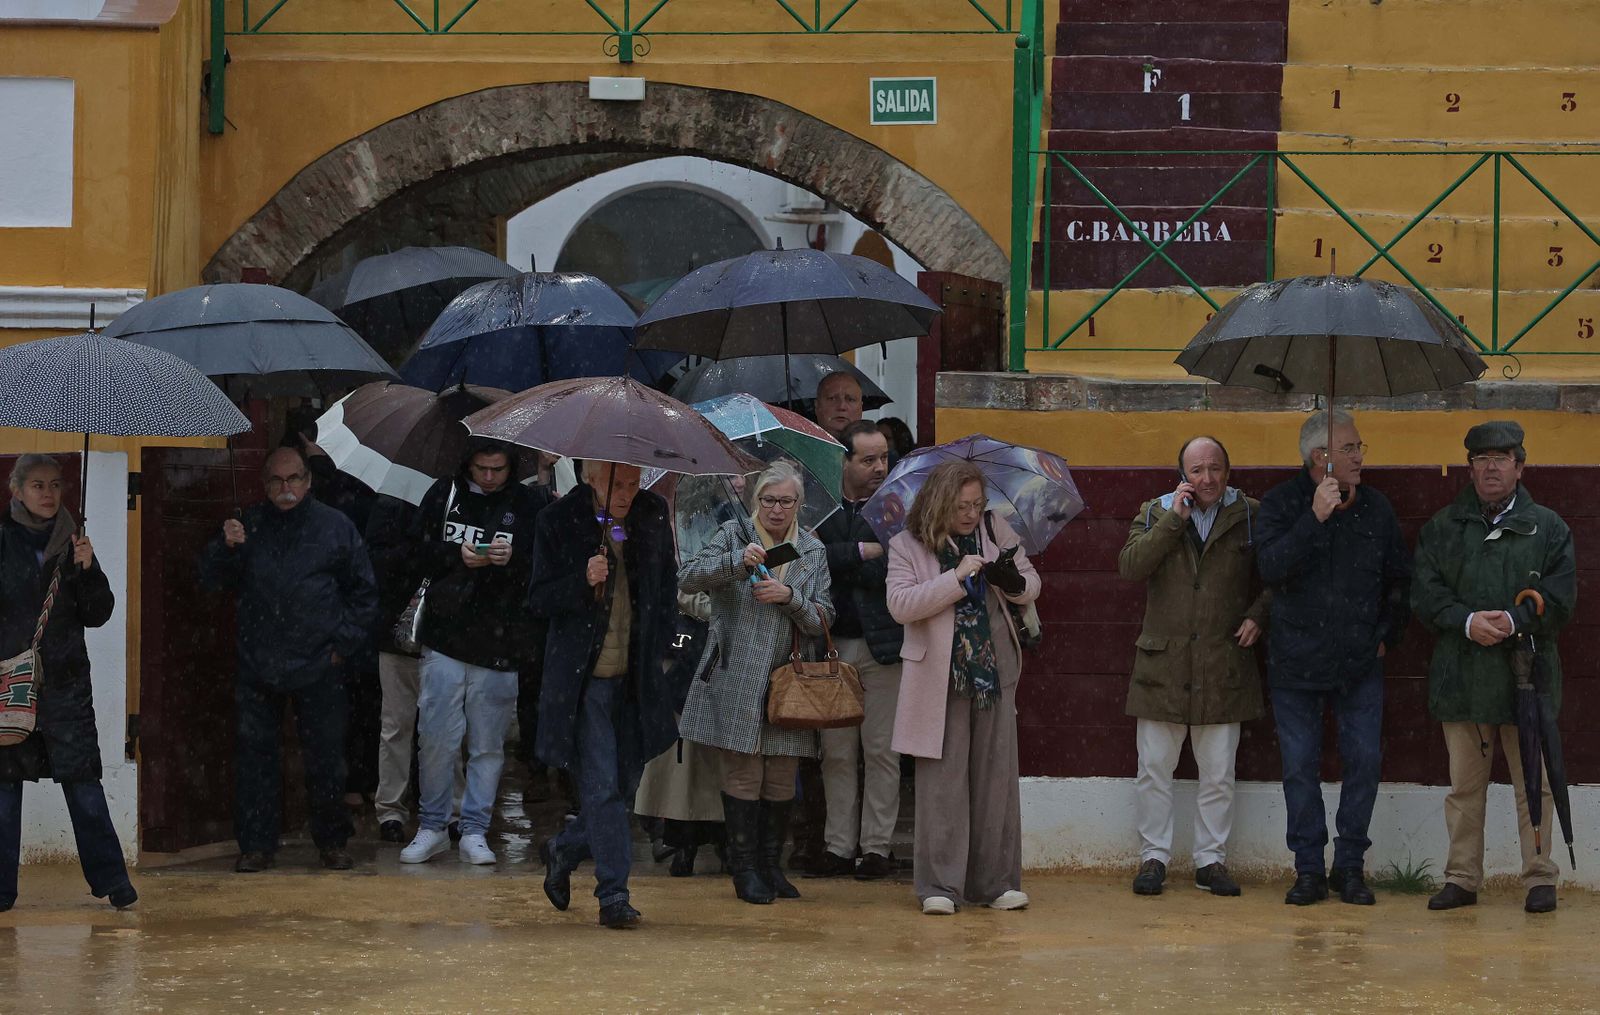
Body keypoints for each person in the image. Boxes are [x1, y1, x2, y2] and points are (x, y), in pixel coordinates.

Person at [1412, 421, 1576, 915]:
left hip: (1527, 677)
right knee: (1465, 787)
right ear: (1470, 467)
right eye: (1481, 459)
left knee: (1536, 784)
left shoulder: (1549, 527)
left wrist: (1512, 618)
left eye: (1502, 457)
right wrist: (1465, 621)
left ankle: (1540, 877)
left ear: (1520, 467)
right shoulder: (1443, 527)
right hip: (1461, 676)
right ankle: (1462, 878)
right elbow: (1425, 593)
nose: (1490, 467)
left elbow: (1561, 597)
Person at [1256, 410, 1410, 906]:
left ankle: (1349, 868)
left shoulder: (1378, 509)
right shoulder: (1282, 504)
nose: (1360, 456)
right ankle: (1307, 870)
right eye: (1349, 449)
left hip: (1359, 663)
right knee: (1299, 768)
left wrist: (1386, 633)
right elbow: (1271, 570)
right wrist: (1315, 518)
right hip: (1296, 664)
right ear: (1318, 458)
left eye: (1358, 447)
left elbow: (1398, 581)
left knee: (1363, 762)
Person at [199, 446, 378, 873]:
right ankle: (257, 845)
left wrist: (341, 647)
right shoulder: (247, 524)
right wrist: (226, 547)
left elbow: (364, 594)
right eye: (277, 480)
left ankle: (332, 841)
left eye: (294, 478)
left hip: (319, 662)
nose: (286, 488)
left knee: (326, 759)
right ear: (264, 484)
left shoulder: (336, 527)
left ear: (308, 480)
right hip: (258, 661)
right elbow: (210, 581)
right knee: (255, 758)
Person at [528, 460, 678, 929]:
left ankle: (564, 848)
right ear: (593, 477)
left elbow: (667, 589)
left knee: (624, 786)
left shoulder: (651, 514)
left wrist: (670, 652)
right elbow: (537, 599)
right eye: (619, 484)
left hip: (637, 678)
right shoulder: (558, 520)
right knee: (602, 788)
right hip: (584, 679)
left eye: (635, 484)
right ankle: (613, 893)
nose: (627, 494)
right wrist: (583, 579)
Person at [886, 459, 1040, 916]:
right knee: (942, 782)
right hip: (940, 675)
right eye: (962, 506)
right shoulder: (906, 544)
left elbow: (1031, 582)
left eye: (977, 504)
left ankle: (995, 884)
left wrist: (1011, 581)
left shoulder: (997, 529)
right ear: (939, 502)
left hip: (995, 671)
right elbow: (901, 605)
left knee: (996, 779)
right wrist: (954, 579)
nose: (971, 514)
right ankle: (939, 886)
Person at [1117, 436, 1267, 898]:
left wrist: (1259, 614)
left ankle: (1210, 860)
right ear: (1182, 474)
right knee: (1154, 768)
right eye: (1197, 470)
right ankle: (1153, 858)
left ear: (1228, 470)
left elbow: (1280, 574)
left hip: (1223, 658)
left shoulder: (1251, 515)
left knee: (1219, 771)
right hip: (1164, 659)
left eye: (1215, 468)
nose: (1207, 479)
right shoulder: (1153, 511)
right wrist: (1171, 523)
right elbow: (1130, 567)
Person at [679, 460, 835, 905]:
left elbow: (825, 618)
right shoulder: (734, 535)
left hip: (791, 679)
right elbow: (686, 576)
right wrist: (733, 563)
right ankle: (743, 868)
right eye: (769, 500)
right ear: (755, 500)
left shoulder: (813, 549)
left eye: (786, 501)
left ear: (799, 504)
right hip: (736, 672)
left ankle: (771, 866)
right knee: (744, 773)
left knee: (782, 777)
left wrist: (791, 599)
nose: (777, 509)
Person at [399, 441, 548, 867]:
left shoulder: (526, 504)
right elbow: (415, 550)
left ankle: (475, 828)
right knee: (436, 738)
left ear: (510, 467)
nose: (488, 477)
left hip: (500, 641)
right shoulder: (444, 493)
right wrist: (456, 555)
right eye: (481, 468)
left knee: (487, 744)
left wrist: (512, 558)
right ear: (467, 464)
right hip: (445, 633)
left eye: (497, 469)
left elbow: (541, 564)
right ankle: (432, 825)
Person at [0, 455, 135, 912]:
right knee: (4, 787)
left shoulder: (74, 542)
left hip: (66, 687)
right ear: (15, 490)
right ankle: (0, 890)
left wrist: (89, 569)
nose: (48, 494)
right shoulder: (2, 541)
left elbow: (98, 614)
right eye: (37, 485)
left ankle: (114, 882)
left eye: (55, 485)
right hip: (12, 683)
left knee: (83, 785)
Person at [812, 420, 904, 879]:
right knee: (837, 753)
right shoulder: (820, 507)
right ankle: (838, 846)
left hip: (883, 645)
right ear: (844, 461)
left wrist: (847, 558)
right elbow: (810, 564)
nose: (878, 467)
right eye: (868, 459)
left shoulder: (897, 507)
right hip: (832, 645)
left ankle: (876, 848)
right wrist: (859, 553)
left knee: (882, 750)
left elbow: (889, 572)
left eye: (883, 457)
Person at [363, 493, 464, 845]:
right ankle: (392, 809)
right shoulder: (394, 504)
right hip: (398, 628)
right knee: (398, 726)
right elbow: (376, 560)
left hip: (443, 632)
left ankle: (451, 809)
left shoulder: (456, 499)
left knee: (443, 728)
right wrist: (427, 552)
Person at [815, 371, 864, 439]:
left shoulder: (876, 447)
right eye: (832, 398)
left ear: (861, 407)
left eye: (850, 399)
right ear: (817, 405)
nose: (841, 407)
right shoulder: (797, 447)